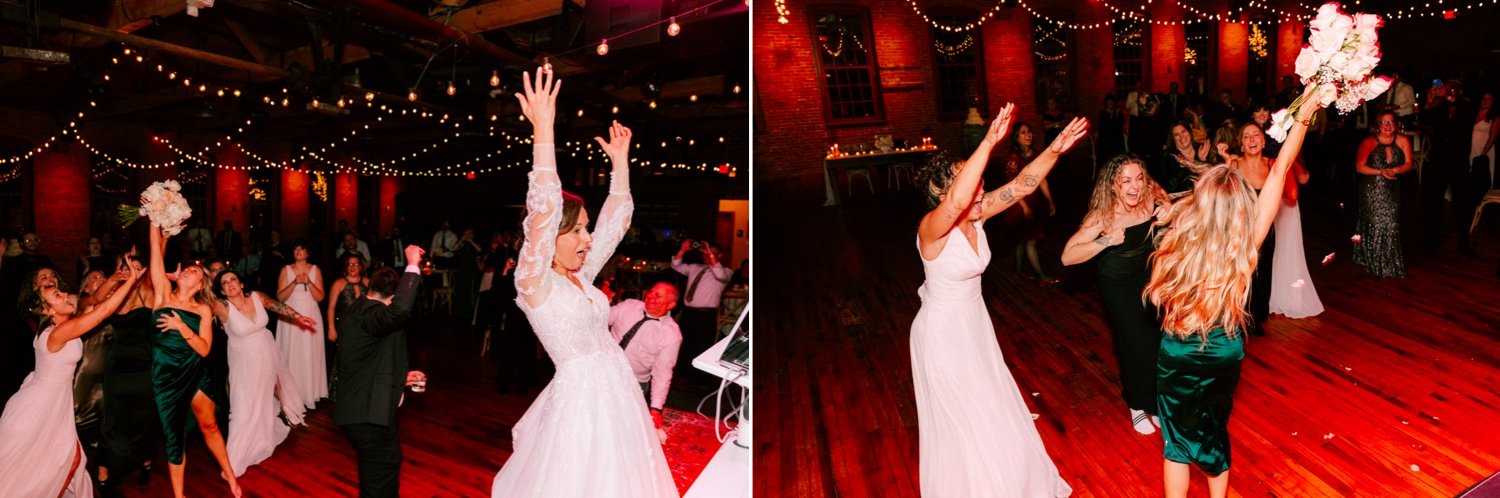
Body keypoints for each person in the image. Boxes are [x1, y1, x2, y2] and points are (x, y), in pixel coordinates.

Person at [490, 68, 676, 497]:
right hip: (581, 406)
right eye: (576, 231)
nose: (588, 238)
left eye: (586, 228)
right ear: (551, 236)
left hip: (619, 392)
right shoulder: (533, 284)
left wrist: (620, 165)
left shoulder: (581, 275)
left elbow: (616, 223)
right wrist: (543, 130)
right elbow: (544, 209)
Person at [1143, 84, 1324, 498]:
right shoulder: (1244, 245)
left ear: (1202, 202)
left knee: (1175, 443)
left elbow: (1156, 296)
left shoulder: (1174, 239)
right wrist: (1305, 112)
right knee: (1213, 430)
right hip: (1223, 349)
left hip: (1177, 349)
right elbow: (1281, 169)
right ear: (1241, 205)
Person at [909, 101, 1086, 497]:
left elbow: (1023, 184)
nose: (981, 190)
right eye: (969, 182)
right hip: (942, 335)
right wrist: (988, 141)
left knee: (992, 408)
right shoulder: (932, 229)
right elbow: (957, 202)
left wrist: (1055, 148)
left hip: (975, 327)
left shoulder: (978, 212)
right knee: (965, 422)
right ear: (942, 192)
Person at [0, 252, 140, 497]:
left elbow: (94, 300)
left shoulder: (61, 326)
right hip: (39, 406)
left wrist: (116, 278)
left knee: (68, 460)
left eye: (62, 291)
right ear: (47, 310)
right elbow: (103, 311)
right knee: (42, 465)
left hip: (54, 401)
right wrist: (131, 281)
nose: (66, 295)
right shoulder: (58, 332)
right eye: (57, 296)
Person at [1060, 153, 1169, 436]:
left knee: (1155, 341)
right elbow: (1067, 256)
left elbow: (1166, 197)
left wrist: (1168, 208)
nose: (1135, 186)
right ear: (1112, 185)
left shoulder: (1148, 196)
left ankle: (1153, 402)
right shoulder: (1103, 215)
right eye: (1126, 181)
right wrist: (1106, 240)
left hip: (1148, 278)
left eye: (1138, 178)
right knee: (1132, 343)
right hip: (1118, 285)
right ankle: (1136, 404)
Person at [147, 225, 242, 497]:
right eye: (188, 269)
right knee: (174, 437)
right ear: (178, 277)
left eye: (196, 272)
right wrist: (155, 217)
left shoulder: (202, 309)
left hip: (194, 371)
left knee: (209, 425)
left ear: (200, 284)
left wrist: (181, 327)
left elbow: (204, 349)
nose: (190, 271)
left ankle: (229, 473)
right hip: (165, 378)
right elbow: (155, 253)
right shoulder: (162, 295)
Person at [333, 246, 426, 498]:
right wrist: (412, 265)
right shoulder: (369, 313)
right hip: (365, 413)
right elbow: (400, 311)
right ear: (393, 296)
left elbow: (369, 358)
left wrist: (401, 378)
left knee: (384, 465)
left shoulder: (362, 308)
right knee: (381, 470)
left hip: (368, 405)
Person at [211, 270, 312, 477]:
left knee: (264, 397)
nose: (230, 284)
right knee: (243, 405)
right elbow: (199, 302)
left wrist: (299, 317)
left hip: (266, 353)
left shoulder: (257, 297)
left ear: (241, 283)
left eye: (232, 279)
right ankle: (234, 460)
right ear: (222, 291)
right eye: (224, 283)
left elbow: (278, 306)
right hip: (243, 362)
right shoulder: (222, 307)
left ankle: (263, 437)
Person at [96, 251, 160, 492]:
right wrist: (115, 277)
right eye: (126, 266)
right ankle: (103, 473)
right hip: (118, 366)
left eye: (136, 267)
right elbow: (95, 299)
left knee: (145, 417)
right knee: (112, 418)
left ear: (144, 271)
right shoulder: (113, 294)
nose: (130, 271)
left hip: (145, 365)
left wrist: (161, 240)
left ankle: (146, 461)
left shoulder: (148, 292)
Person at [608, 282, 682, 442]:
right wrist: (602, 301)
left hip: (634, 383)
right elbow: (599, 320)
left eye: (658, 295)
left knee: (623, 431)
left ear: (671, 304)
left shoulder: (671, 334)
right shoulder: (628, 306)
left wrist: (656, 408)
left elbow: (662, 373)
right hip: (603, 370)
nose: (651, 297)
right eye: (652, 291)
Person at [1228, 121, 1279, 335]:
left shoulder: (1272, 165)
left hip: (1266, 229)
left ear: (1263, 141)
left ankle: (1256, 318)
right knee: (1242, 275)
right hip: (1240, 229)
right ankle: (1238, 318)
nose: (1251, 139)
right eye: (1246, 136)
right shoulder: (1234, 165)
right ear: (1241, 144)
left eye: (1256, 134)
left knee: (1263, 273)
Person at [1353, 111, 1413, 278]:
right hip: (1372, 189)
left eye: (1391, 122)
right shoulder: (1369, 142)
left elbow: (1409, 163)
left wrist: (1395, 170)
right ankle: (1374, 262)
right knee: (1376, 224)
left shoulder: (1403, 141)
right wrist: (1381, 172)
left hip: (1392, 189)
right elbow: (1359, 167)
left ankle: (1389, 262)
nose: (1387, 125)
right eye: (1383, 122)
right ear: (1377, 126)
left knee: (1391, 223)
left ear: (1396, 124)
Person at [1000, 122, 1058, 284]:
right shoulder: (1013, 157)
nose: (1028, 135)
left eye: (1029, 131)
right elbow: (1011, 186)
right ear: (1016, 137)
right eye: (1023, 132)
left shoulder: (1036, 154)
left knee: (1022, 239)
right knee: (1030, 240)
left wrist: (1050, 201)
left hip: (1034, 201)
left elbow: (1042, 180)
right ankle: (1042, 276)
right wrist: (1024, 207)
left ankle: (1019, 271)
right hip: (1018, 203)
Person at [276, 241, 327, 408]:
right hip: (290, 315)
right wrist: (294, 283)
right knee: (291, 352)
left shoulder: (315, 269)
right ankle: (290, 394)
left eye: (302, 248)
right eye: (295, 248)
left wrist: (309, 282)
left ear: (308, 252)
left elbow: (320, 297)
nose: (298, 251)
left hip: (311, 313)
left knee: (309, 352)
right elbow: (280, 298)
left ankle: (309, 393)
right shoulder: (286, 270)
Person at [671, 238, 733, 363]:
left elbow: (720, 275)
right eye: (705, 253)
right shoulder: (695, 267)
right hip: (688, 313)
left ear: (719, 255)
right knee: (685, 346)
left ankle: (701, 372)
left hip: (705, 315)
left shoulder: (726, 271)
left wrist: (710, 254)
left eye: (712, 253)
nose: (707, 256)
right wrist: (682, 250)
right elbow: (675, 265)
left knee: (702, 347)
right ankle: (685, 370)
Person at [1460, 90, 1499, 257]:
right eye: (1483, 98)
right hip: (1470, 149)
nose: (1485, 101)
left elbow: (1493, 137)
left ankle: (1477, 204)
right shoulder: (1474, 113)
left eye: (1489, 99)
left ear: (1493, 102)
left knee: (1479, 178)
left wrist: (1483, 154)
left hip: (1483, 152)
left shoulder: (1494, 117)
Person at [327, 254, 372, 400]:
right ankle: (343, 393)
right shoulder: (339, 284)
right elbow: (331, 307)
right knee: (346, 359)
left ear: (361, 267)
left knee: (365, 359)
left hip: (365, 328)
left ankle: (362, 392)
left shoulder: (368, 283)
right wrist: (331, 328)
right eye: (350, 264)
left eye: (356, 264)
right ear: (346, 267)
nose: (353, 267)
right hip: (346, 328)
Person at [1158, 121, 1212, 195]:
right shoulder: (1168, 157)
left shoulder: (1202, 148)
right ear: (1173, 139)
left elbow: (1216, 176)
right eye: (1176, 135)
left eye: (1183, 131)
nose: (1181, 136)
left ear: (1189, 132)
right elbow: (1171, 187)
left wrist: (1203, 161)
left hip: (1207, 193)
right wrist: (1184, 167)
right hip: (1184, 199)